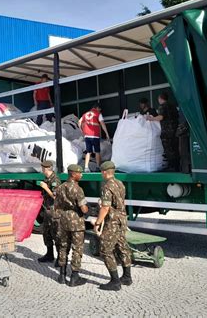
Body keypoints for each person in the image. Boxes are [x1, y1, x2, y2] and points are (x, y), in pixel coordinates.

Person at [93, 161, 132, 291]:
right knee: (122, 247)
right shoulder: (120, 183)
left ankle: (115, 282)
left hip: (113, 221)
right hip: (122, 219)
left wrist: (98, 223)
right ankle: (127, 277)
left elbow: (105, 207)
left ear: (104, 172)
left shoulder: (107, 186)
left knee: (105, 249)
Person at [55, 164, 88, 287]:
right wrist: (88, 209)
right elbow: (83, 209)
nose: (81, 175)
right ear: (73, 174)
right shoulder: (78, 189)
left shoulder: (60, 187)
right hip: (76, 222)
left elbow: (56, 206)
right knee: (77, 248)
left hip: (63, 220)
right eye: (80, 172)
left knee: (63, 246)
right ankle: (74, 277)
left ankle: (62, 275)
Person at [37, 160, 62, 265]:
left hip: (54, 211)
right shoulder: (46, 179)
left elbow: (56, 197)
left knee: (56, 234)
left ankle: (60, 258)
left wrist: (46, 188)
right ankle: (49, 254)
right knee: (46, 233)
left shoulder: (55, 180)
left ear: (46, 168)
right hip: (47, 210)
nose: (42, 170)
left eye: (42, 168)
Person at [147, 92, 179, 171]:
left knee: (168, 148)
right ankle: (177, 165)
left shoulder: (163, 106)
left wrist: (151, 119)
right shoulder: (173, 106)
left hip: (167, 131)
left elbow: (161, 117)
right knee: (175, 147)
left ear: (160, 99)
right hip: (175, 129)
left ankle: (172, 166)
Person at [78, 103, 110, 172]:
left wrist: (82, 131)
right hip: (95, 135)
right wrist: (107, 133)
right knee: (97, 151)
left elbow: (79, 122)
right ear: (97, 108)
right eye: (100, 109)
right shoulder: (98, 114)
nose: (100, 110)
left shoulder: (85, 114)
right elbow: (102, 124)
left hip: (87, 135)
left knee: (88, 151)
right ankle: (98, 167)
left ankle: (86, 167)